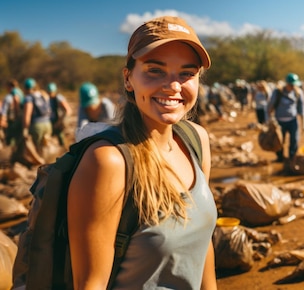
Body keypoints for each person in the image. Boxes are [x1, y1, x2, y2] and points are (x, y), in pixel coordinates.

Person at [66, 15, 217, 289]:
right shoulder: (109, 162)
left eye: (187, 73)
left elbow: (202, 245)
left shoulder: (197, 140)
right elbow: (90, 284)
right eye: (155, 70)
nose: (173, 86)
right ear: (128, 79)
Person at [268, 73, 304, 163]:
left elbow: (303, 108)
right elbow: (270, 106)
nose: (293, 87)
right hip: (279, 121)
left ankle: (291, 158)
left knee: (294, 140)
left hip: (293, 121)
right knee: (279, 141)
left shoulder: (298, 92)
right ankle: (280, 158)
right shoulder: (278, 92)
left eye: (294, 85)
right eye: (291, 85)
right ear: (287, 84)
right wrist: (269, 119)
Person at [21, 77, 52, 153]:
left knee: (36, 148)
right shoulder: (43, 95)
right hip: (48, 124)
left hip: (37, 126)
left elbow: (27, 115)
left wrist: (25, 128)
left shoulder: (29, 98)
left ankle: (40, 162)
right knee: (45, 147)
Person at [46, 82, 72, 147]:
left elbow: (68, 110)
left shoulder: (59, 98)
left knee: (61, 136)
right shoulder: (48, 98)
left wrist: (62, 121)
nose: (50, 94)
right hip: (53, 120)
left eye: (51, 92)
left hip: (59, 121)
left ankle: (65, 148)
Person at [0, 79, 23, 146]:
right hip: (19, 120)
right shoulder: (20, 94)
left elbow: (4, 111)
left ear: (9, 87)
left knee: (8, 139)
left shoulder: (8, 97)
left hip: (10, 121)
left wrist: (2, 120)